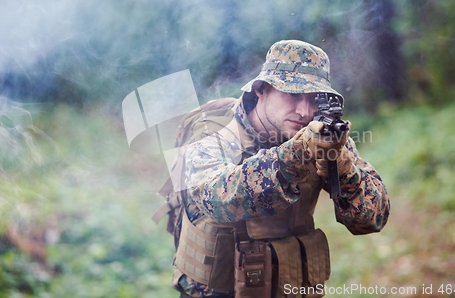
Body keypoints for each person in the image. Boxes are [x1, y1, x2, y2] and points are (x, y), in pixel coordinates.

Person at [158, 40, 390, 298]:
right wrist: (295, 155)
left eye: (314, 99)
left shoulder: (319, 132)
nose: (304, 111)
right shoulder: (213, 131)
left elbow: (372, 219)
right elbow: (216, 200)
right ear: (261, 90)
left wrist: (346, 173)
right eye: (292, 94)